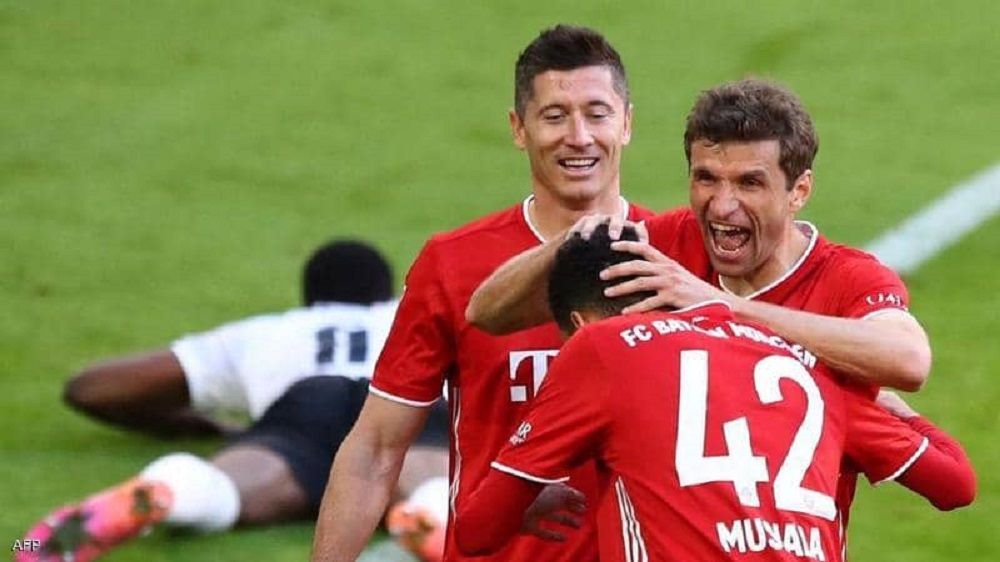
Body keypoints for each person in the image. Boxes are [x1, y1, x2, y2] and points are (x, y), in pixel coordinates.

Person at [464, 78, 934, 539]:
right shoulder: (664, 246)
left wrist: (724, 308)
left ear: (799, 191)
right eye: (706, 178)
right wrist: (577, 237)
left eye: (750, 183)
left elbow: (909, 359)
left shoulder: (847, 277)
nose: (723, 206)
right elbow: (489, 314)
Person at [311, 25, 655, 562]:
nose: (579, 136)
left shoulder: (675, 256)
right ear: (519, 128)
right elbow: (376, 448)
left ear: (627, 123)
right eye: (554, 116)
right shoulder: (454, 264)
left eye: (597, 114)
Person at [455, 226, 974, 561]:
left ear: (580, 323)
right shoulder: (802, 363)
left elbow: (476, 531)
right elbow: (955, 483)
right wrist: (896, 409)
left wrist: (523, 501)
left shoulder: (600, 347)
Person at [19, 240, 450, 562]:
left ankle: (164, 490)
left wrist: (200, 425)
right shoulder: (409, 312)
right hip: (402, 403)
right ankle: (428, 515)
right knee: (429, 476)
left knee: (224, 487)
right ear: (385, 293)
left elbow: (91, 388)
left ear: (309, 298)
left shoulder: (271, 331)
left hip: (305, 406)